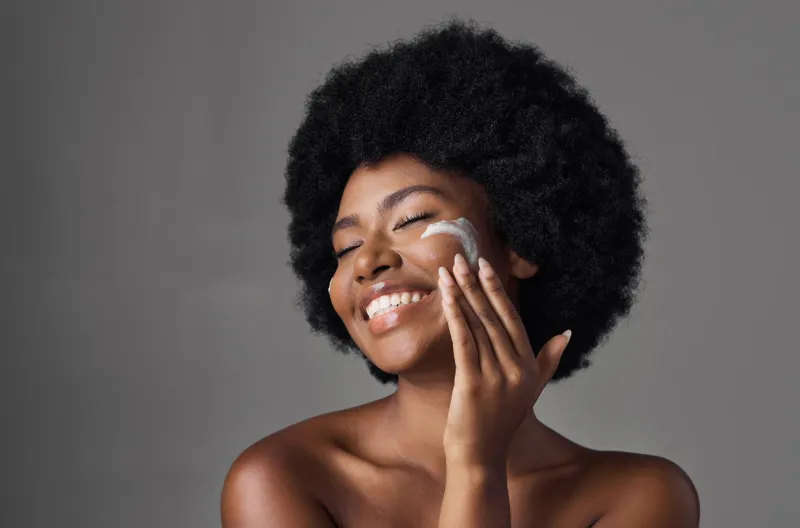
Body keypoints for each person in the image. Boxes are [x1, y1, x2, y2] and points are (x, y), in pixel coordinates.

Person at [221, 17, 700, 527]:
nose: (366, 262)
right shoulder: (281, 479)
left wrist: (478, 464)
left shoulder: (640, 498)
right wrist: (475, 467)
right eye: (346, 246)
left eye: (412, 219)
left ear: (521, 240)